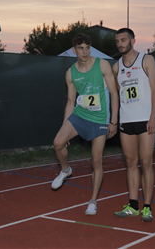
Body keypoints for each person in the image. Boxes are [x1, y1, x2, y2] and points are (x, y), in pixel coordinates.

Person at [51, 33, 119, 215]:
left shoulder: (103, 65)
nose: (85, 51)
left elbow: (114, 93)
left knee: (96, 160)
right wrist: (65, 127)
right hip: (80, 115)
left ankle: (93, 201)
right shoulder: (70, 73)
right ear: (74, 50)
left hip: (100, 119)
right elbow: (70, 102)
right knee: (58, 142)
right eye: (81, 48)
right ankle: (66, 170)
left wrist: (114, 121)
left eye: (87, 47)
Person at [112, 28, 155, 222]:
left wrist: (153, 117)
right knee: (130, 163)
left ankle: (147, 207)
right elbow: (117, 95)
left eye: (123, 40)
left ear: (133, 40)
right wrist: (115, 120)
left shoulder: (146, 60)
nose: (120, 44)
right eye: (117, 41)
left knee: (146, 163)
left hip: (145, 120)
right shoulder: (116, 67)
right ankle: (133, 205)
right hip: (126, 121)